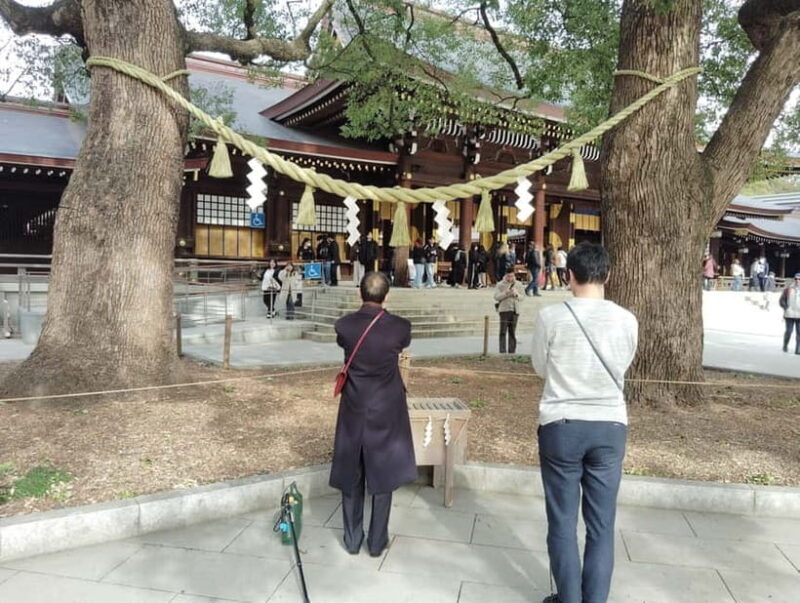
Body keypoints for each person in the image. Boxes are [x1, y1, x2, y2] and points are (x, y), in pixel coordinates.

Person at [531, 242, 638, 603]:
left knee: (562, 522)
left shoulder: (551, 316)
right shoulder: (626, 319)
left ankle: (569, 599)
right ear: (607, 275)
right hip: (609, 425)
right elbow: (624, 364)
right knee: (602, 524)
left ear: (568, 275)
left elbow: (540, 367)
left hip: (561, 424)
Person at [330, 272, 417, 557]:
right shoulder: (400, 328)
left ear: (359, 294)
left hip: (355, 405)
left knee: (352, 472)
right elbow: (401, 345)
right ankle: (377, 541)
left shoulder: (344, 326)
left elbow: (348, 346)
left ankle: (352, 539)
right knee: (383, 473)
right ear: (387, 296)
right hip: (386, 406)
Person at [494, 267, 525, 354]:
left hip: (515, 310)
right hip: (504, 310)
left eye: (511, 276)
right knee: (503, 331)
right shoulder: (500, 284)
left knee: (512, 331)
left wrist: (516, 294)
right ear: (505, 275)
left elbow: (522, 297)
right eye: (508, 276)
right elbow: (496, 297)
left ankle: (512, 351)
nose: (510, 278)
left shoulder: (518, 284)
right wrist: (506, 293)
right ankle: (502, 351)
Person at [779, 273, 800, 354]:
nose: (798, 281)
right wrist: (785, 307)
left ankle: (798, 349)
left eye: (799, 279)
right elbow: (782, 300)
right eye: (796, 279)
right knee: (789, 331)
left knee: (799, 332)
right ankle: (785, 345)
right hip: (789, 314)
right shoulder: (789, 289)